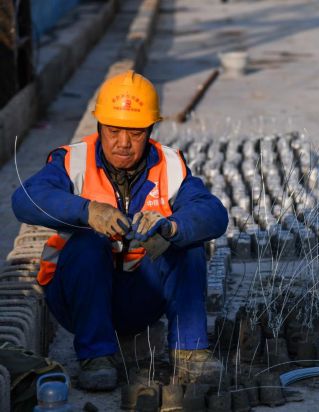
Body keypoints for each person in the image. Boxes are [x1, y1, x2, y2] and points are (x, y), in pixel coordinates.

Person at [11, 70, 229, 391]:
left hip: (140, 298)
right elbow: (25, 199)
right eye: (113, 131)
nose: (123, 143)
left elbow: (213, 214)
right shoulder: (73, 161)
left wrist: (171, 227)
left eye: (136, 133)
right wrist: (86, 211)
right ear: (99, 126)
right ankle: (95, 355)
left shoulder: (168, 165)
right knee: (88, 245)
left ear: (151, 129)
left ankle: (190, 350)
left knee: (187, 244)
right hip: (77, 298)